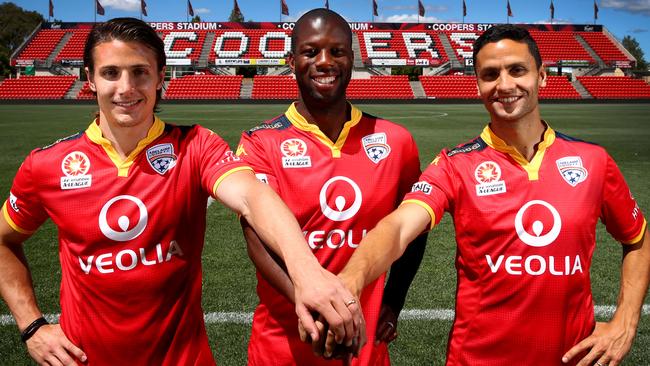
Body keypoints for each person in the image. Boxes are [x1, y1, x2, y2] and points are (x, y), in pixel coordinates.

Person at [0, 17, 362, 366]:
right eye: (111, 73)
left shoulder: (195, 146)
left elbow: (253, 197)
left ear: (160, 78)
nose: (126, 88)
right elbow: (3, 240)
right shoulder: (47, 165)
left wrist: (308, 274)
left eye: (140, 72)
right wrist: (31, 325)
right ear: (90, 80)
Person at [336, 24, 650, 366]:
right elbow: (398, 228)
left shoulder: (593, 161)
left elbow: (638, 239)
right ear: (478, 85)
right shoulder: (455, 165)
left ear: (542, 76)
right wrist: (351, 279)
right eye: (490, 74)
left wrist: (625, 320)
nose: (504, 85)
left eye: (517, 70)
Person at [236, 8, 427, 365]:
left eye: (336, 52)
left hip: (364, 344)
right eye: (311, 52)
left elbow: (414, 228)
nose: (325, 61)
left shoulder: (396, 141)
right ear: (292, 61)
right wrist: (316, 306)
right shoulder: (260, 142)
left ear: (351, 59)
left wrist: (394, 299)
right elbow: (256, 239)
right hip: (283, 344)